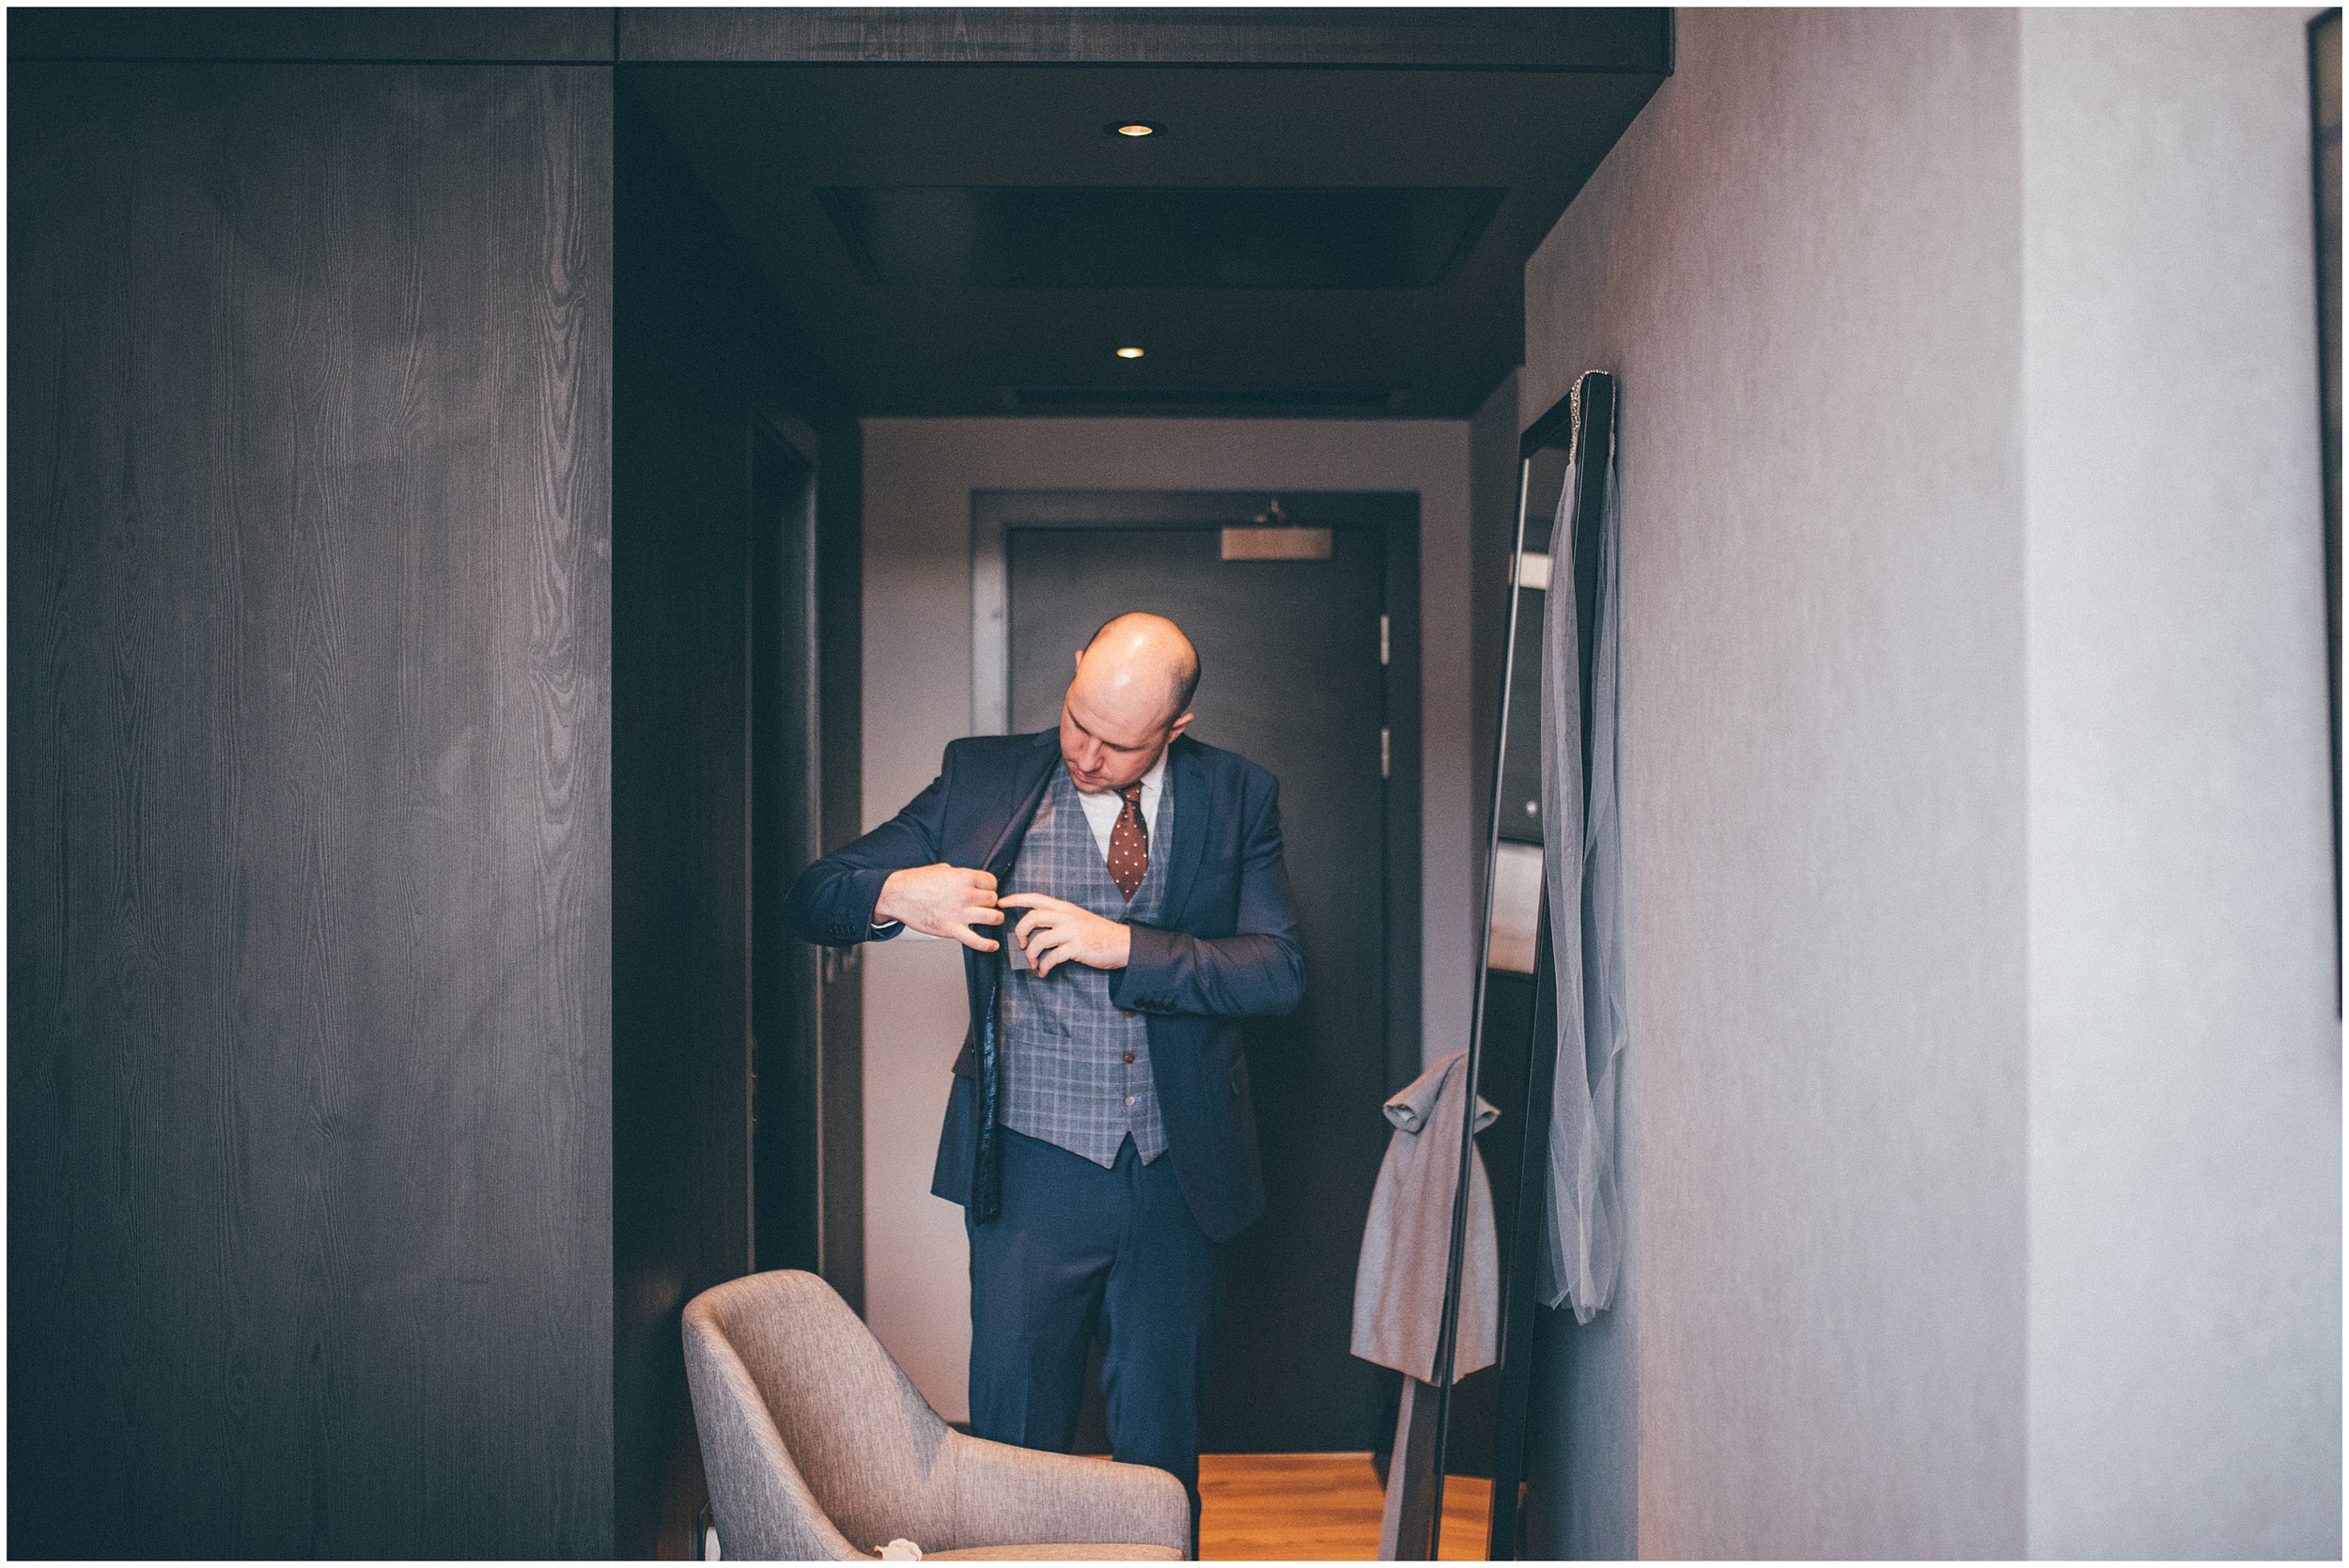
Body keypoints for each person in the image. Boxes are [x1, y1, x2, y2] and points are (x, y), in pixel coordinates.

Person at [781, 611, 1304, 1529]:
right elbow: (813, 894)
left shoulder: (1237, 794)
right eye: (1076, 722)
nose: (1086, 755)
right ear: (1071, 676)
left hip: (1178, 1173)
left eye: (1116, 743)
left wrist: (1124, 946)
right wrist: (899, 894)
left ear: (1174, 729)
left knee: (1160, 1449)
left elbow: (1277, 971)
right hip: (1031, 1169)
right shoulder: (982, 778)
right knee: (1017, 1442)